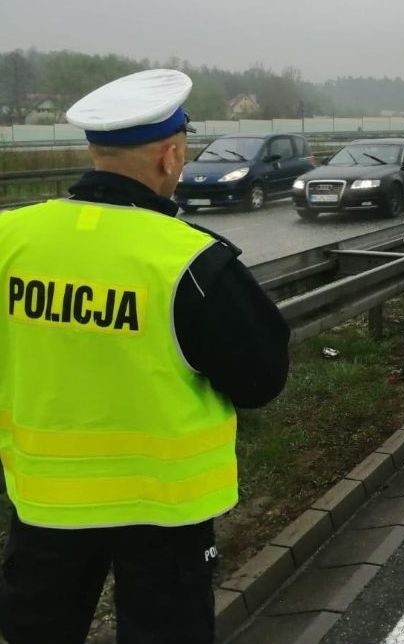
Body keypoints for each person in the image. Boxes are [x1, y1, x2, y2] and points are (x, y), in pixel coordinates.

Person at [0, 69, 290, 644]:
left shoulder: (11, 237)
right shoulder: (191, 262)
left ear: (94, 150)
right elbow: (261, 378)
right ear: (170, 156)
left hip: (42, 500)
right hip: (164, 509)